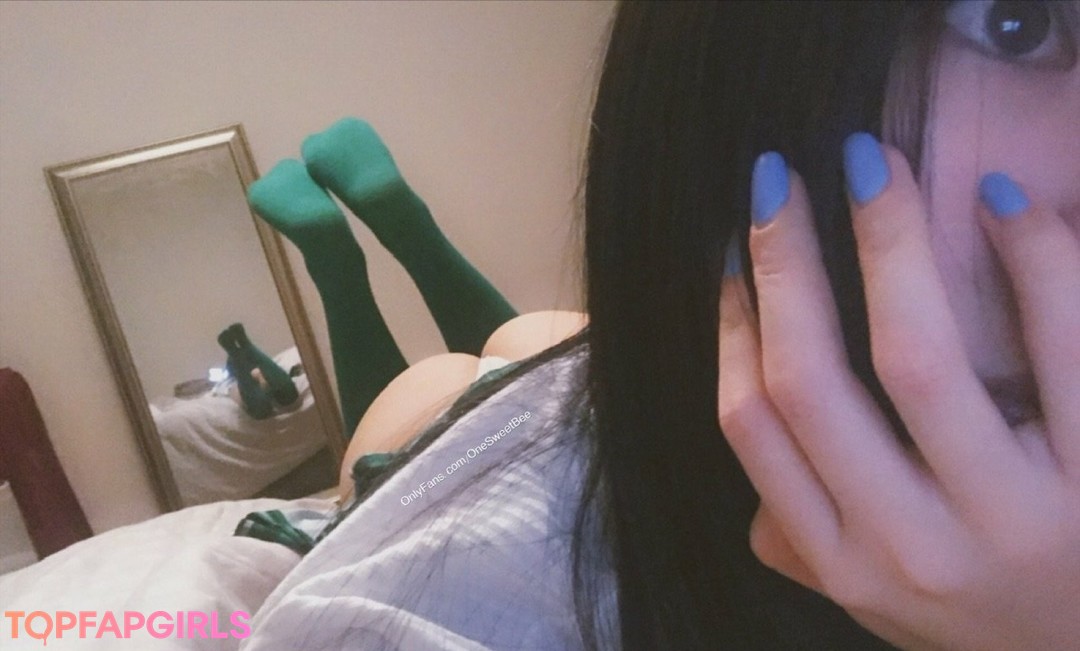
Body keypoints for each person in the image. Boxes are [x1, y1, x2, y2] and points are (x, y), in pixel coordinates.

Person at [244, 2, 1080, 649]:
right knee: (450, 394)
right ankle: (372, 258)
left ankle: (375, 254)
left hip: (561, 376)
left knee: (483, 364)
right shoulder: (407, 612)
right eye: (1020, 21)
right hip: (517, 429)